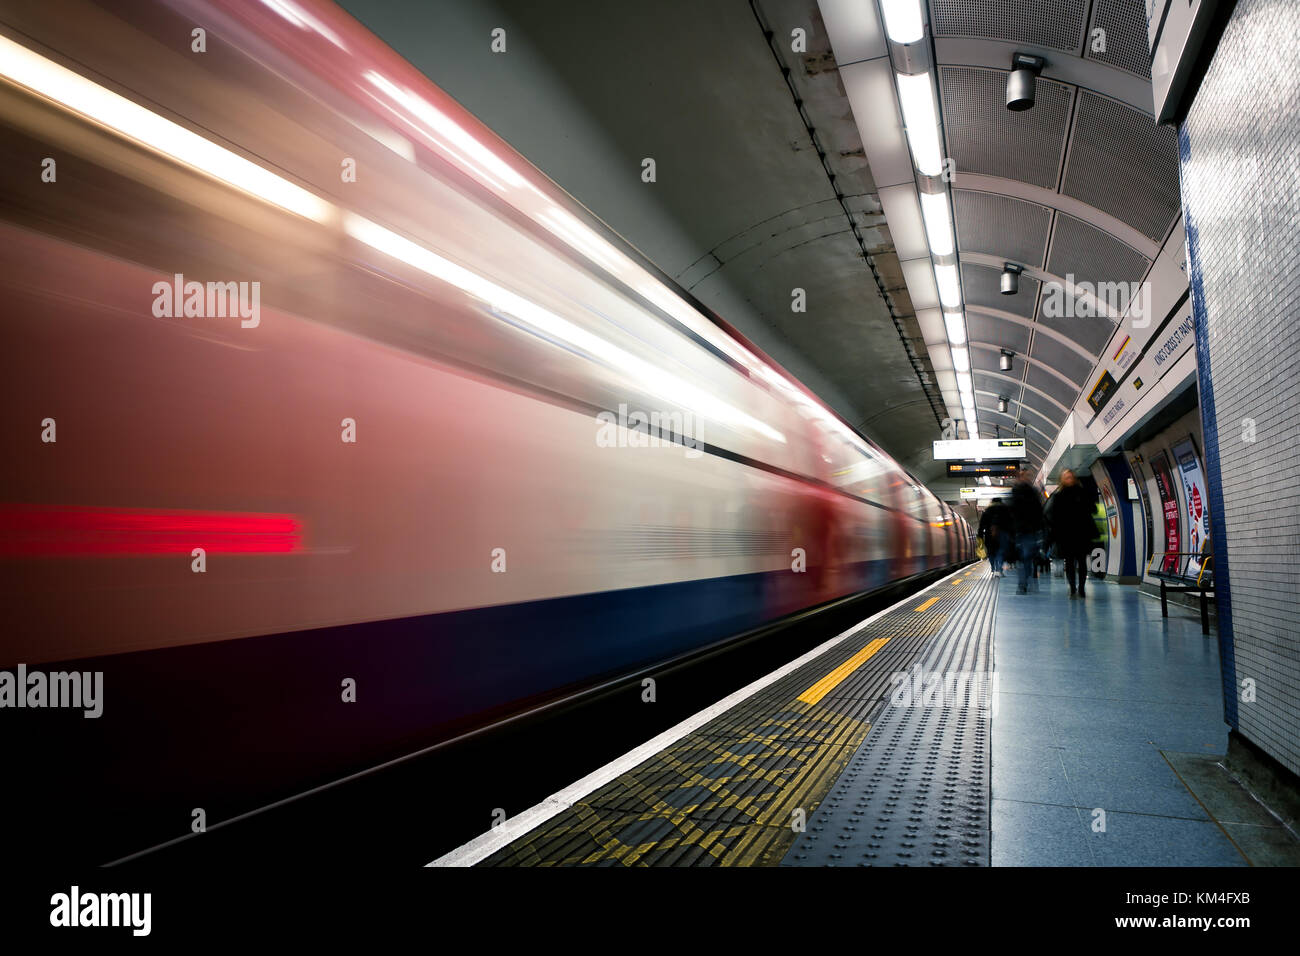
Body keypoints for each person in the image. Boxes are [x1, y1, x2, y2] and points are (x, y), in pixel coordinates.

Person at [1045, 468, 1099, 599]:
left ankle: (1081, 588)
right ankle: (1073, 587)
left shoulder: (1081, 493)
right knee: (1069, 562)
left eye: (1070, 477)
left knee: (1081, 561)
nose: (1069, 479)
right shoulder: (1058, 495)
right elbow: (1051, 514)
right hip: (1066, 534)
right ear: (1062, 480)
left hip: (1081, 533)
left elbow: (1093, 509)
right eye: (1066, 477)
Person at [1008, 470, 1045, 594]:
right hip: (1022, 531)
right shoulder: (1018, 492)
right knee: (1024, 557)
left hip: (1030, 530)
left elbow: (1039, 512)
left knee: (1026, 557)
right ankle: (1022, 583)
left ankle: (1024, 580)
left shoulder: (1031, 492)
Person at [977, 497, 1014, 577]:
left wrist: (980, 536)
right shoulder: (1005, 510)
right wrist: (1011, 534)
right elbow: (1011, 523)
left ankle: (993, 568)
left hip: (989, 535)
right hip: (1003, 534)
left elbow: (981, 525)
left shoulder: (987, 511)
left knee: (991, 552)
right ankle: (999, 569)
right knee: (1000, 551)